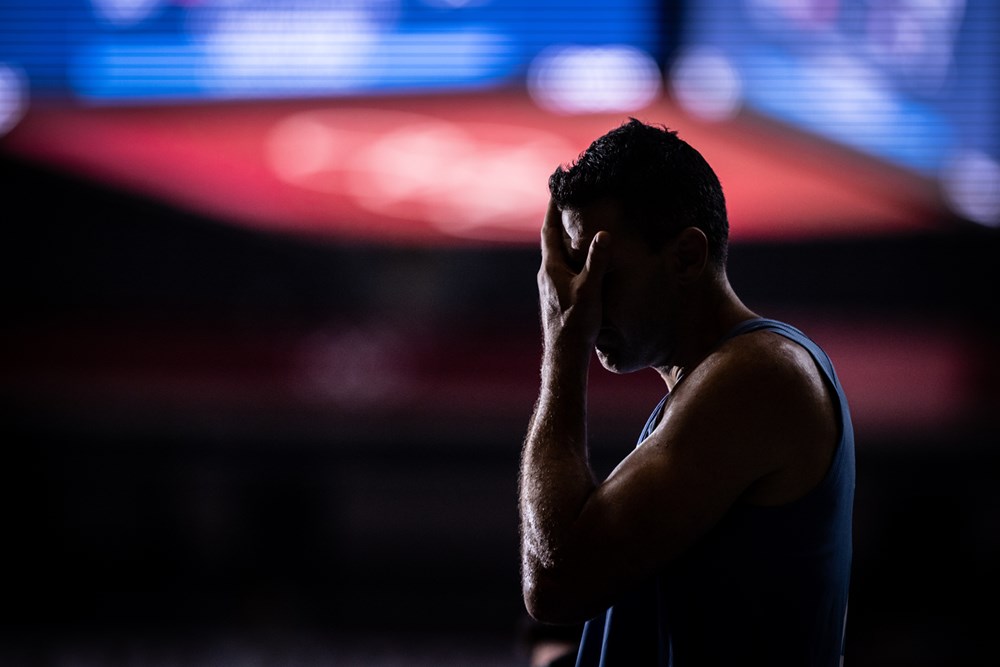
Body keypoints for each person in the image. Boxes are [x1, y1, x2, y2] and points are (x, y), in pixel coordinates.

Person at [518, 118, 855, 666]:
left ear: (686, 257)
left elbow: (555, 585)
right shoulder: (707, 387)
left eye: (601, 272)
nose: (580, 300)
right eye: (573, 275)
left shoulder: (758, 376)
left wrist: (562, 346)